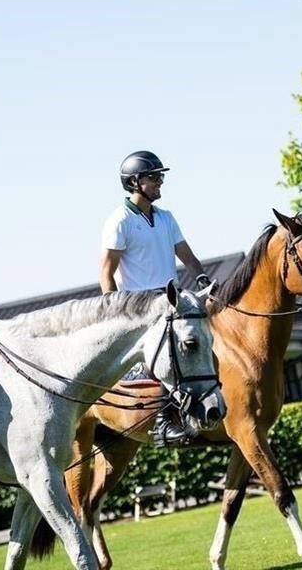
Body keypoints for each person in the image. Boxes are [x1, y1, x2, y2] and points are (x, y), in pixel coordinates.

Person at [100, 150, 212, 446]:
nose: (160, 181)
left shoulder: (166, 217)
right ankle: (163, 423)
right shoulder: (119, 220)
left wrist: (202, 279)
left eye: (160, 176)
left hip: (171, 300)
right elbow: (106, 273)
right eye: (154, 177)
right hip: (141, 308)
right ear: (136, 182)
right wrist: (116, 311)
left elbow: (186, 256)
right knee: (168, 355)